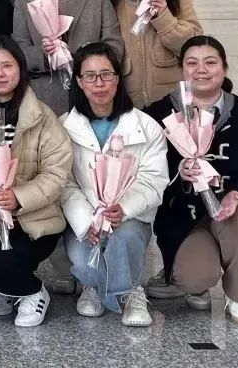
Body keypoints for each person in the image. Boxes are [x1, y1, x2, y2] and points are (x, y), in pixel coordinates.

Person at [145, 36, 238, 325]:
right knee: (192, 277)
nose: (201, 69)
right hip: (184, 216)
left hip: (233, 210)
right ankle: (198, 282)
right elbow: (146, 168)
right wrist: (179, 171)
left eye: (210, 62)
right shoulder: (158, 113)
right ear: (182, 70)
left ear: (224, 69)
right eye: (192, 63)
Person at [0, 36, 72, 327]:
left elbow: (56, 173)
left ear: (20, 69)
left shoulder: (43, 117)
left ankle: (33, 292)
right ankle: (7, 287)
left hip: (32, 218)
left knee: (0, 259)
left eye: (7, 66)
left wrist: (19, 197)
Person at [60, 43, 167, 327]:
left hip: (129, 216)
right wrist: (88, 220)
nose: (99, 83)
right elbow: (64, 182)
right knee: (83, 260)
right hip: (86, 218)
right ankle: (93, 286)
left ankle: (132, 291)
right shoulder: (63, 127)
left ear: (118, 78)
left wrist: (124, 208)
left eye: (106, 74)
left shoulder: (147, 127)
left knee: (123, 240)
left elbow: (154, 179)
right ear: (79, 82)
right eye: (90, 76)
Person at [11, 0, 124, 114]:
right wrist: (45, 55)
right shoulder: (24, 3)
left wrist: (91, 65)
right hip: (44, 97)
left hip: (92, 93)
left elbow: (114, 44)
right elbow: (18, 52)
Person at [107, 0, 203, 109]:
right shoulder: (113, 6)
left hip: (174, 101)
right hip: (132, 105)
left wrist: (163, 15)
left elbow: (194, 46)